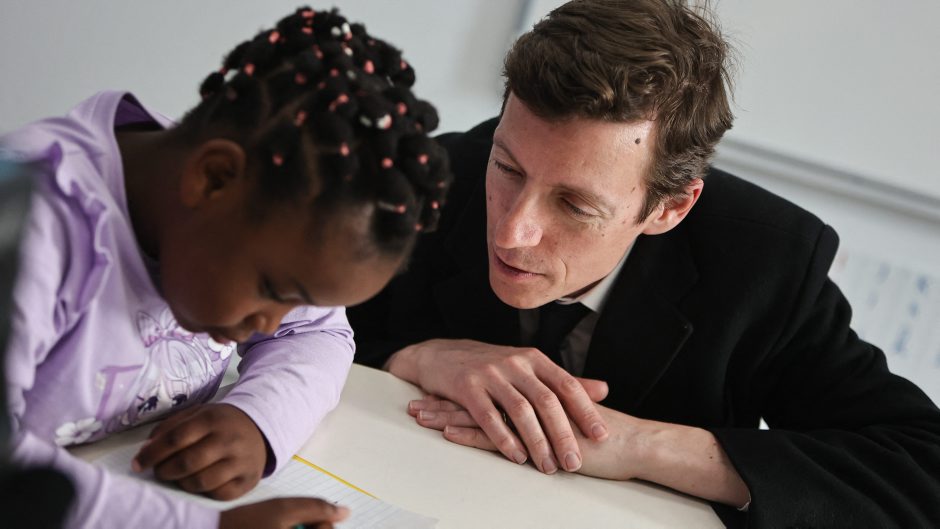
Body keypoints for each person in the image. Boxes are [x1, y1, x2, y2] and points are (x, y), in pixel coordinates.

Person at [347, 0, 940, 527]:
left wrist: (639, 445)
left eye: (575, 205)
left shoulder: (766, 263)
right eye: (507, 168)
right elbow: (303, 323)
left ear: (670, 207)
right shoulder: (432, 179)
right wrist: (415, 357)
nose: (510, 231)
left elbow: (921, 469)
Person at [1, 6, 450, 529]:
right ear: (213, 179)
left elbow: (320, 334)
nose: (273, 321)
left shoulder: (267, 208)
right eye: (272, 289)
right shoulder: (35, 225)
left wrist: (258, 419)